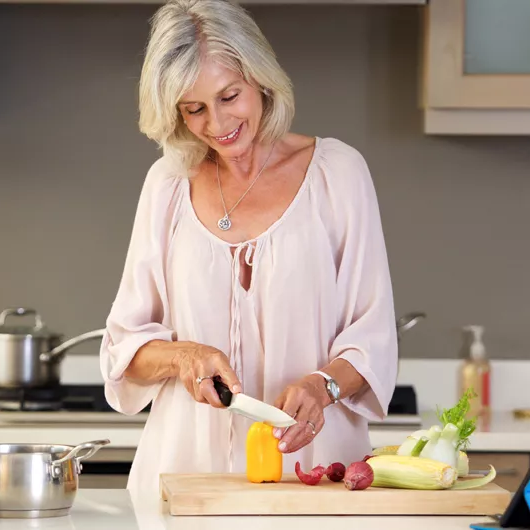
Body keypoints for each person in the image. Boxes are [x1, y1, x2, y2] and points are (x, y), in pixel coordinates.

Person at [99, 0, 398, 499]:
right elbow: (124, 351)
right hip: (185, 478)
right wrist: (185, 357)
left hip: (312, 475)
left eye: (228, 96)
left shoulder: (337, 173)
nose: (216, 124)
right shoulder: (167, 185)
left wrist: (322, 386)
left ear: (260, 79)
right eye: (193, 109)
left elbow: (374, 338)